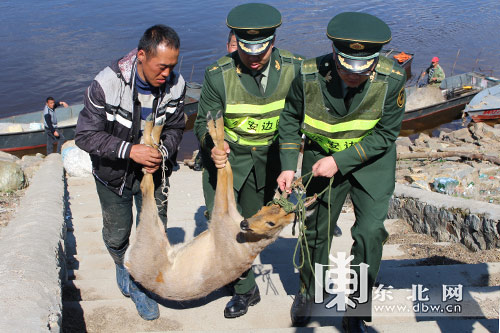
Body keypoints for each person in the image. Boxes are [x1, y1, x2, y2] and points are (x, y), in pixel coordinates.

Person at [277, 12, 407, 332]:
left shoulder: (392, 79)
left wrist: (341, 161)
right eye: (347, 67)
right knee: (315, 231)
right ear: (335, 55)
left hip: (371, 162)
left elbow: (386, 135)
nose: (354, 75)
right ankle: (309, 291)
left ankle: (355, 309)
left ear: (376, 62)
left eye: (364, 69)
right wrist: (287, 168)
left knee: (370, 234)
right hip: (321, 157)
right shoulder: (307, 76)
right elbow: (290, 122)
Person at [193, 3, 304, 319]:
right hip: (228, 164)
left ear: (273, 41)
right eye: (246, 50)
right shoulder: (219, 75)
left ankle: (246, 271)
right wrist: (214, 144)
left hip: (270, 162)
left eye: (262, 50)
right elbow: (204, 121)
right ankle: (245, 290)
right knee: (225, 228)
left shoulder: (296, 69)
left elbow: (302, 114)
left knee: (254, 229)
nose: (254, 58)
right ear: (235, 43)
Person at [75, 24, 186, 320]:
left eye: (173, 67)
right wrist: (130, 150)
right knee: (116, 234)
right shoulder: (106, 84)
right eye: (162, 67)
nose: (167, 74)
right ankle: (120, 262)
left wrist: (161, 153)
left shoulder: (176, 85)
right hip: (114, 176)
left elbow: (176, 126)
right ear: (140, 56)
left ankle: (140, 286)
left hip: (154, 176)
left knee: (153, 233)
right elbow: (85, 135)